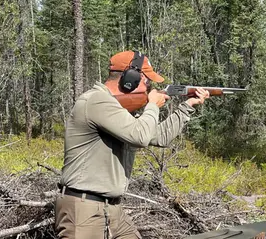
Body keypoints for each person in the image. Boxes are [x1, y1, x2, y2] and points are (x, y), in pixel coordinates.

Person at [54, 50, 210, 239]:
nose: (148, 86)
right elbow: (140, 136)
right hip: (84, 207)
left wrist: (187, 107)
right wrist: (152, 105)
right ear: (131, 78)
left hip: (111, 208)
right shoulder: (96, 101)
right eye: (146, 81)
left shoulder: (117, 108)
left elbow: (159, 136)